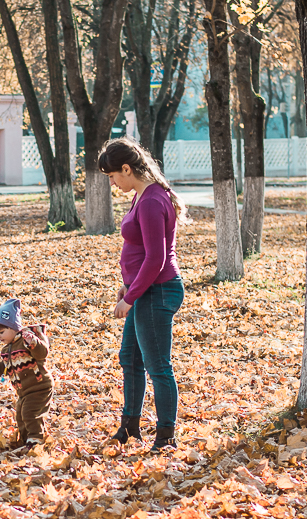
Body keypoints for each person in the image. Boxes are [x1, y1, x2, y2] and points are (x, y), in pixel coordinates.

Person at [99, 138, 186, 452]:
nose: (112, 182)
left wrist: (130, 297)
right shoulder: (142, 195)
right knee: (130, 359)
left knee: (158, 366)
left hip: (157, 291)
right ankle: (129, 427)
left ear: (126, 168)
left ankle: (165, 438)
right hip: (144, 288)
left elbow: (156, 258)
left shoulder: (150, 200)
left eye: (112, 176)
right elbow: (139, 251)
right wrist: (128, 285)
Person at [0, 299, 54, 447]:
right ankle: (27, 439)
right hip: (24, 390)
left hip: (40, 386)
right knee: (20, 415)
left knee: (30, 413)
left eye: (2, 332)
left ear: (14, 328)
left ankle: (36, 439)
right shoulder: (7, 349)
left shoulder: (27, 341)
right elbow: (6, 366)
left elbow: (42, 354)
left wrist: (33, 343)